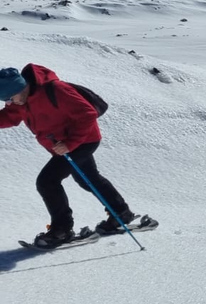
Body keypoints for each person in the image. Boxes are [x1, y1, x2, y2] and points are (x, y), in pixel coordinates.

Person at [0, 64, 137, 248]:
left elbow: (88, 114)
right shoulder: (20, 101)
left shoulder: (56, 90)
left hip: (82, 141)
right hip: (61, 145)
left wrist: (70, 143)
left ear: (19, 88)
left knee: (47, 181)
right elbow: (8, 117)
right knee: (88, 178)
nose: (8, 103)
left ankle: (62, 230)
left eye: (9, 98)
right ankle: (121, 213)